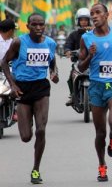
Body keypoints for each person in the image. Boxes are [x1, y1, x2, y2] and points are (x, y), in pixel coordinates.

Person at [1, 13, 59, 184]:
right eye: (35, 25)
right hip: (22, 89)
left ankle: (36, 170)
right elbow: (4, 62)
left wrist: (54, 72)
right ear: (28, 26)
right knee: (26, 136)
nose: (39, 28)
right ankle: (27, 122)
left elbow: (52, 60)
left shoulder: (50, 43)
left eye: (42, 24)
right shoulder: (19, 42)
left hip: (41, 88)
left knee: (41, 130)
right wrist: (13, 85)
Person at [77, 3, 112, 182]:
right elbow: (80, 66)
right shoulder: (86, 38)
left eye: (97, 12)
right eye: (92, 13)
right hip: (97, 87)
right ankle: (102, 165)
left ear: (106, 15)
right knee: (100, 132)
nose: (94, 16)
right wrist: (90, 56)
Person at [64, 7, 92, 106]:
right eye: (81, 20)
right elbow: (68, 44)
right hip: (77, 62)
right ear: (78, 21)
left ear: (89, 21)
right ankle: (73, 95)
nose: (83, 22)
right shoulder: (73, 34)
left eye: (85, 20)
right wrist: (67, 51)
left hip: (92, 62)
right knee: (71, 76)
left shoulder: (94, 33)